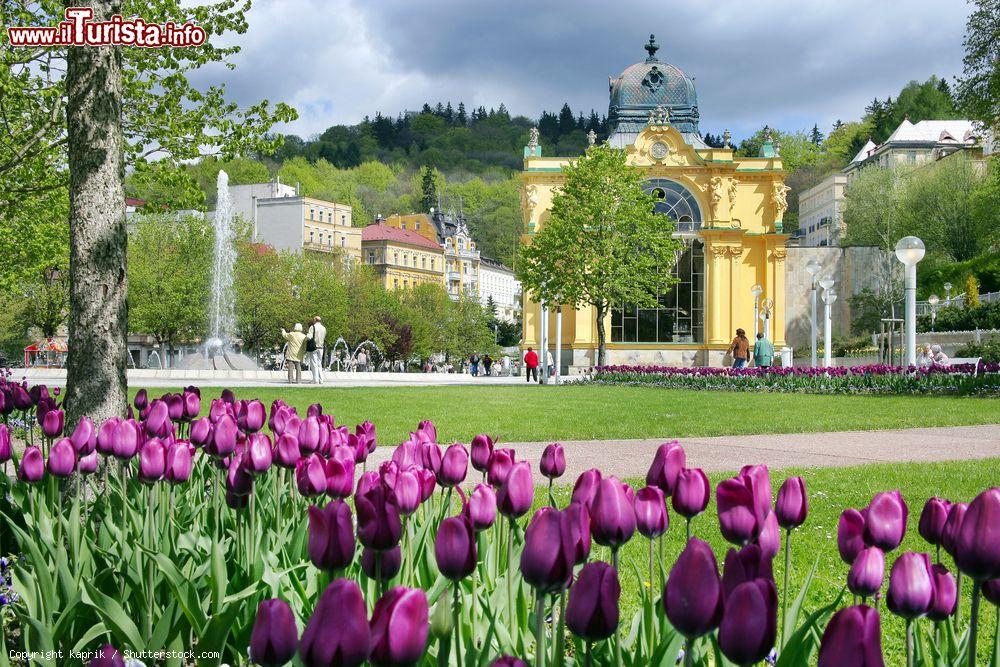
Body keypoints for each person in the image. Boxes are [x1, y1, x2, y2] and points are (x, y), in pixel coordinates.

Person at [307, 316, 327, 384]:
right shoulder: (324, 328)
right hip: (321, 347)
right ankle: (321, 379)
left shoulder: (312, 327)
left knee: (314, 363)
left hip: (314, 347)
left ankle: (315, 380)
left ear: (315, 320)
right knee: (319, 364)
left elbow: (309, 337)